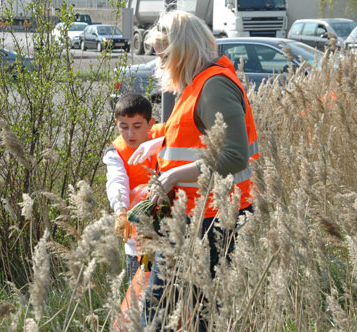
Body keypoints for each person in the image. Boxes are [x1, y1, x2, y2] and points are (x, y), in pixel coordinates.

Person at [128, 10, 259, 331]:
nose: (159, 64)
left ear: (181, 52)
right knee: (186, 313)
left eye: (162, 56)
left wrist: (172, 176)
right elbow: (193, 131)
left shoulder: (215, 86)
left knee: (167, 313)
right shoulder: (200, 82)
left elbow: (234, 155)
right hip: (193, 216)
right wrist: (157, 141)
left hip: (212, 220)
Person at [103, 93, 163, 284]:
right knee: (139, 294)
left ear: (150, 123)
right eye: (124, 127)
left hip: (169, 230)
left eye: (137, 127)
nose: (130, 134)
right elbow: (116, 181)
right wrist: (120, 209)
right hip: (137, 240)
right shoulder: (116, 152)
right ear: (116, 123)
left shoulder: (165, 135)